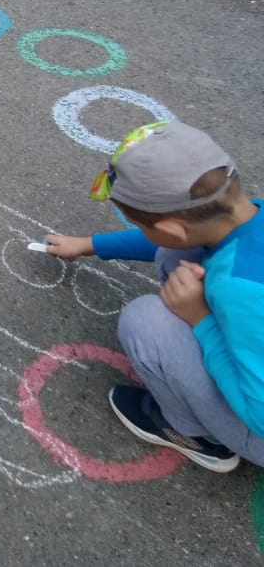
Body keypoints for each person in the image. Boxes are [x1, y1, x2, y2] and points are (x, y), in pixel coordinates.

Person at [44, 120, 263, 473]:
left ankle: (188, 431)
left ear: (172, 229)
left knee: (145, 321)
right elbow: (174, 239)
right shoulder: (246, 214)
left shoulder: (238, 290)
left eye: (144, 225)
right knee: (176, 255)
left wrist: (200, 321)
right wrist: (90, 245)